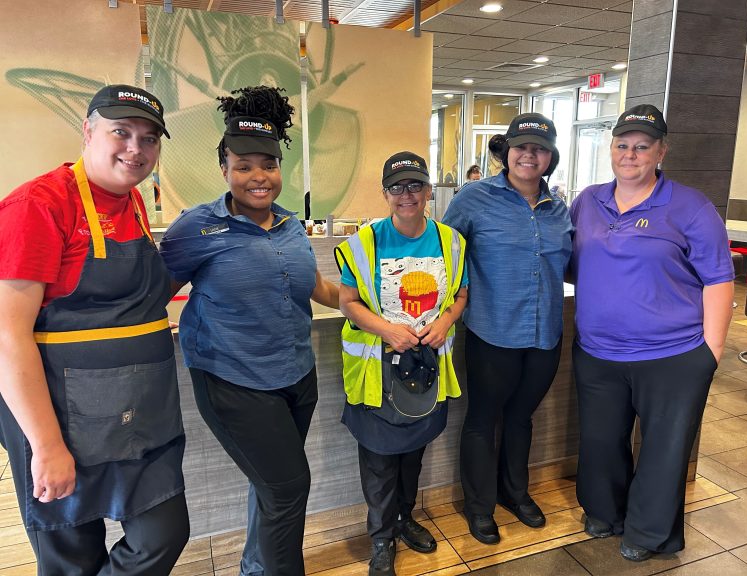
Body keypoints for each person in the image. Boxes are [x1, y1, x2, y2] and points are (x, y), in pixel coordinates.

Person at [0, 84, 188, 574]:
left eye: (149, 139)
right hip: (63, 416)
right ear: (87, 131)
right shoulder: (38, 205)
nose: (135, 149)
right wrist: (47, 446)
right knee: (72, 559)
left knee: (163, 533)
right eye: (120, 132)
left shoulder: (132, 202)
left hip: (138, 412)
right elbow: (7, 336)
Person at [159, 85, 339, 576]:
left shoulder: (290, 224)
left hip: (296, 376)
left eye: (268, 165)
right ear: (224, 169)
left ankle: (256, 569)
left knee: (271, 485)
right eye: (244, 166)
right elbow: (153, 295)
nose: (259, 176)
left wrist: (368, 302)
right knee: (287, 489)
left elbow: (317, 287)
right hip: (233, 382)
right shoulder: (197, 228)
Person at [569, 104, 734, 561]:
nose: (630, 154)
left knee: (664, 451)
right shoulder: (589, 201)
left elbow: (719, 280)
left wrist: (711, 352)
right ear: (611, 149)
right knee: (601, 442)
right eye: (622, 145)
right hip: (598, 352)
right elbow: (572, 262)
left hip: (672, 355)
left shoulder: (691, 207)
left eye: (642, 146)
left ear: (661, 151)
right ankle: (604, 512)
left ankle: (647, 534)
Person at [442, 113, 573, 544]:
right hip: (492, 332)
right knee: (482, 419)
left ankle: (514, 492)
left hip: (545, 335)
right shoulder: (474, 198)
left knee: (521, 417)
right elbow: (445, 257)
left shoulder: (559, 209)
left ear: (550, 156)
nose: (529, 155)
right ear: (507, 152)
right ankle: (479, 506)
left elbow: (572, 265)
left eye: (539, 148)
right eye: (521, 147)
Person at [335, 151, 468, 576]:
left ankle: (404, 518)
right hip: (377, 371)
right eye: (397, 187)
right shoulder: (364, 243)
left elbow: (461, 294)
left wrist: (446, 321)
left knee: (413, 453)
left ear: (429, 191)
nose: (406, 194)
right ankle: (381, 538)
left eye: (414, 185)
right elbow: (347, 302)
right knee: (379, 461)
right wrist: (387, 330)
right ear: (385, 194)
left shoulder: (451, 241)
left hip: (426, 369)